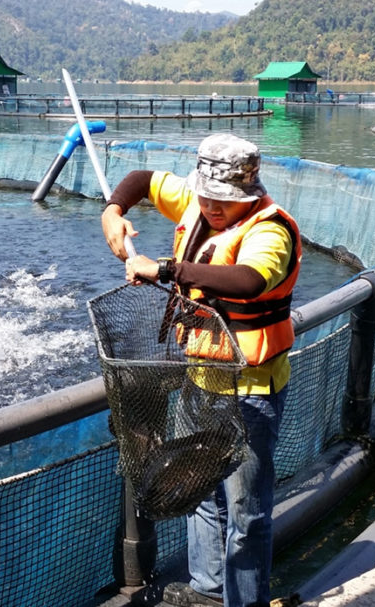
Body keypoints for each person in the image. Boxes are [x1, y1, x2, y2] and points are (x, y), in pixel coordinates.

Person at [100, 133, 301, 607]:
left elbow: (248, 280)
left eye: (225, 201)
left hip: (249, 392)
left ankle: (245, 602)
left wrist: (166, 270)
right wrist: (113, 211)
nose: (212, 207)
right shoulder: (198, 199)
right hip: (199, 381)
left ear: (249, 195)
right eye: (207, 196)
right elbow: (142, 180)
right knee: (200, 496)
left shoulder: (271, 231)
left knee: (246, 513)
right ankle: (207, 592)